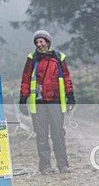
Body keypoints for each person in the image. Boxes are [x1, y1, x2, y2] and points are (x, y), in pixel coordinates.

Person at [18, 30, 76, 174]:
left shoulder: (59, 57)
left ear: (48, 42)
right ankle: (45, 166)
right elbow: (25, 79)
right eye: (37, 42)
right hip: (38, 104)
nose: (39, 44)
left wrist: (71, 96)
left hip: (55, 101)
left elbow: (67, 77)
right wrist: (22, 100)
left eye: (41, 41)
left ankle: (63, 165)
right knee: (42, 135)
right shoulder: (32, 59)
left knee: (58, 134)